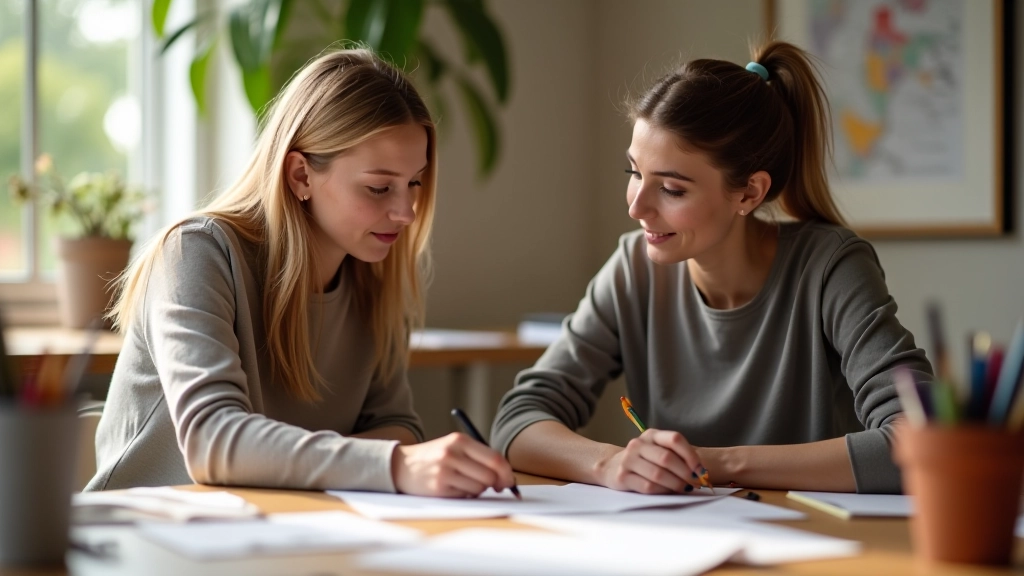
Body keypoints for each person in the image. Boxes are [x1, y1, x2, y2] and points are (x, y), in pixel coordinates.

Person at [491, 41, 930, 495]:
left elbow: (921, 442)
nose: (637, 207)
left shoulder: (830, 268)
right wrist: (610, 464)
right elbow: (518, 419)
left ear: (749, 194)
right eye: (634, 174)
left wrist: (717, 462)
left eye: (672, 190)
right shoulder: (632, 269)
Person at [86, 49, 515, 498]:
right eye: (379, 187)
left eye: (414, 183)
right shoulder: (195, 253)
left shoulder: (372, 279)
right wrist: (390, 464)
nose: (406, 211)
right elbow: (211, 442)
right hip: (149, 543)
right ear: (300, 175)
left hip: (282, 533)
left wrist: (321, 463)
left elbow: (398, 426)